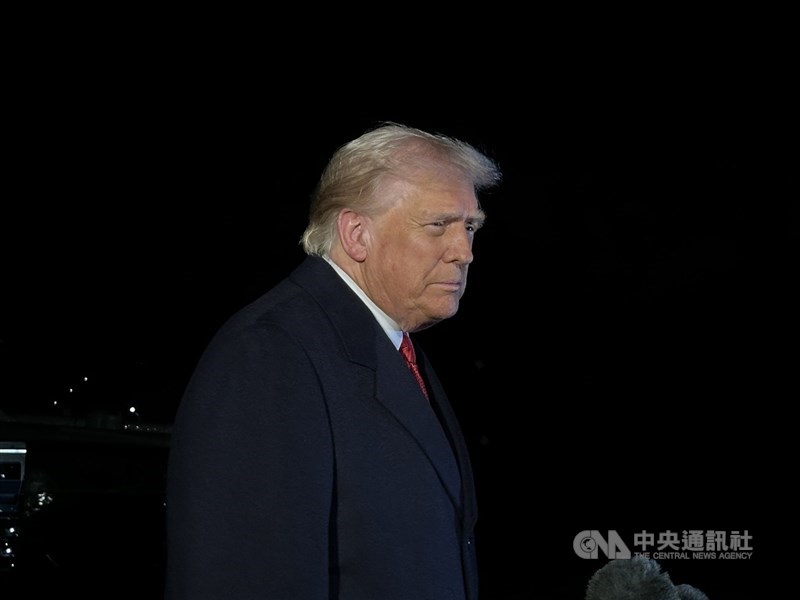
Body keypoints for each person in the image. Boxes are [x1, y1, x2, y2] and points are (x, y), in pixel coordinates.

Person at [164, 122, 502, 599]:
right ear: (356, 234)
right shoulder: (269, 355)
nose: (464, 252)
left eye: (470, 227)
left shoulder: (394, 347)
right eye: (438, 225)